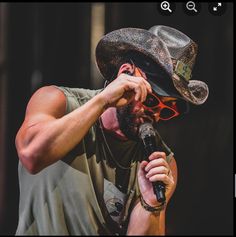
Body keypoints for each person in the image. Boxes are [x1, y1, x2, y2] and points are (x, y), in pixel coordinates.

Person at [15, 25, 209, 235]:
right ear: (125, 74)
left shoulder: (160, 163)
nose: (156, 115)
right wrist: (104, 100)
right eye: (151, 100)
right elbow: (31, 155)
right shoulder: (59, 102)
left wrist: (150, 205)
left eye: (167, 110)